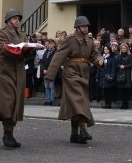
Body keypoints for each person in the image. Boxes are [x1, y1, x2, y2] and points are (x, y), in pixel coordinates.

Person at [44, 16, 104, 144]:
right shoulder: (69, 40)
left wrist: (99, 60)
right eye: (83, 26)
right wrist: (50, 75)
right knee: (80, 100)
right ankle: (83, 130)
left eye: (87, 26)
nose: (86, 28)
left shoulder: (89, 40)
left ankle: (74, 134)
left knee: (75, 103)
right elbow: (59, 56)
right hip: (71, 72)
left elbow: (94, 53)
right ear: (77, 27)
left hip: (84, 73)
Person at [0, 8, 42, 148]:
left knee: (16, 102)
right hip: (5, 70)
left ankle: (9, 134)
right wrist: (20, 48)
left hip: (19, 70)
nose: (17, 21)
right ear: (8, 20)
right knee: (8, 101)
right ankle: (7, 133)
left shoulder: (21, 33)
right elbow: (1, 48)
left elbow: (24, 52)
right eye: (15, 18)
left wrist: (31, 48)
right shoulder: (1, 32)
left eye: (18, 19)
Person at [99, 44, 118, 108]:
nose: (105, 50)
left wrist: (112, 75)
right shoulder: (102, 57)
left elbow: (114, 67)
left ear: (109, 50)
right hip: (103, 75)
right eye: (104, 49)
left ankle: (109, 104)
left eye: (107, 49)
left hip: (109, 75)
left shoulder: (112, 58)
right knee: (105, 90)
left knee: (109, 90)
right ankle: (106, 103)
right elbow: (100, 67)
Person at [40, 39, 58, 106]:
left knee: (51, 86)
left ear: (54, 44)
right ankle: (47, 100)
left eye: (51, 44)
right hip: (45, 71)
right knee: (46, 87)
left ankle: (51, 100)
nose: (50, 45)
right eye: (49, 44)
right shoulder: (46, 51)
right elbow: (42, 61)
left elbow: (54, 62)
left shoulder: (55, 52)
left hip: (51, 71)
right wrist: (44, 69)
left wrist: (49, 70)